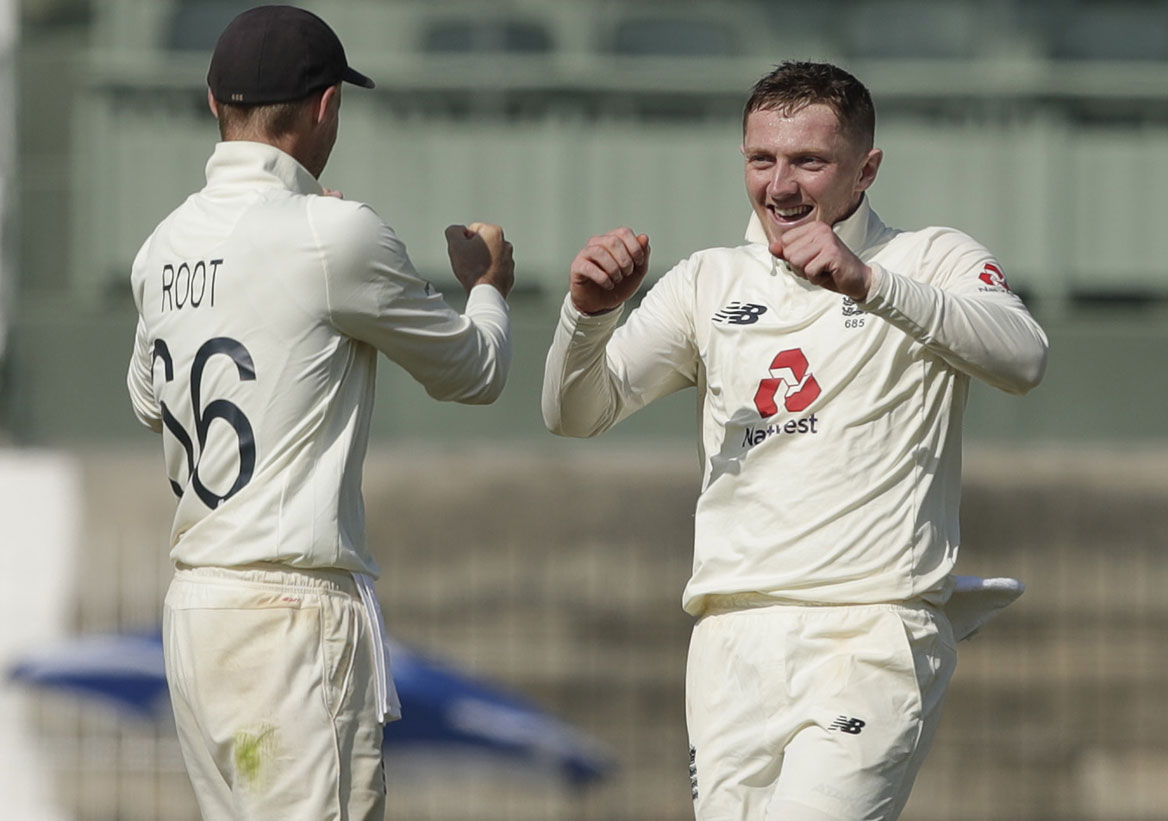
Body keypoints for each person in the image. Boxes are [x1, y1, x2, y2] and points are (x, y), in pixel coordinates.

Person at [543, 61, 1047, 820]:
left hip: (868, 632)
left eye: (809, 161)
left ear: (866, 167)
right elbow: (574, 412)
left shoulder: (927, 259)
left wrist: (870, 284)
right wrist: (587, 316)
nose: (781, 185)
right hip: (729, 642)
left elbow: (1025, 356)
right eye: (761, 159)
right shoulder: (707, 280)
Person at [125, 6, 514, 819]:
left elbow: (146, 401)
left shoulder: (160, 245)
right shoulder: (334, 234)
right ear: (326, 106)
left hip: (197, 614)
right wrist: (488, 286)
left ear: (212, 103)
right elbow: (475, 372)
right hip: (292, 618)